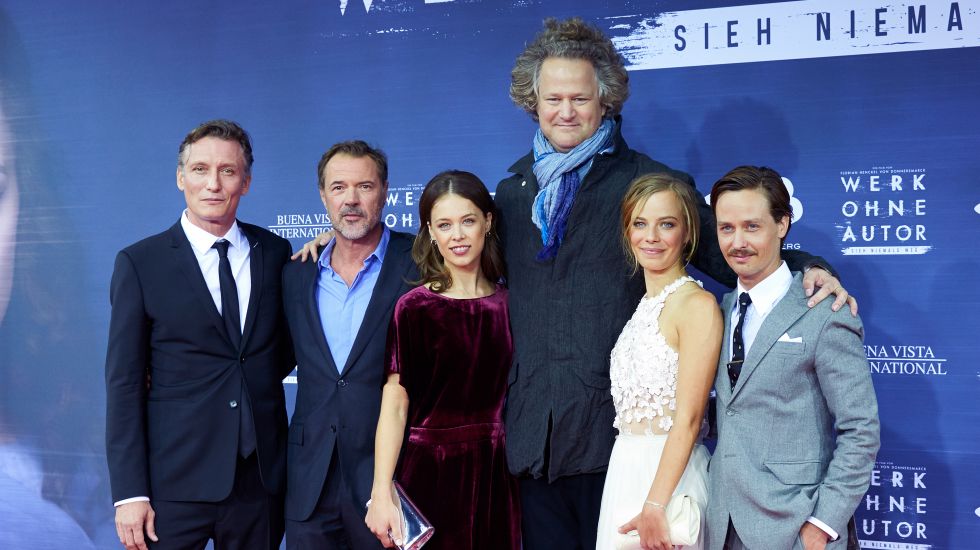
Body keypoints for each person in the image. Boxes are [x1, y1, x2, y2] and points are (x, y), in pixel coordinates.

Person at [494, 17, 855, 549]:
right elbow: (459, 267)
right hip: (533, 445)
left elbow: (733, 252)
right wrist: (329, 248)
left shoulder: (647, 184)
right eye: (553, 99)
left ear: (606, 101)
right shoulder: (512, 192)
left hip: (611, 442)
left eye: (579, 98)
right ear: (533, 102)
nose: (565, 111)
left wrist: (810, 267)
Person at [105, 120, 294, 550]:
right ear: (180, 177)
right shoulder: (140, 263)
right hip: (173, 483)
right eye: (200, 169)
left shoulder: (277, 253)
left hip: (259, 482)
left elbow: (278, 353)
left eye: (228, 171)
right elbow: (124, 384)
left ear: (245, 182)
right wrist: (130, 493)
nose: (213, 184)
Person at [705, 166, 879, 550]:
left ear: (783, 224)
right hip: (720, 525)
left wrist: (822, 525)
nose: (738, 242)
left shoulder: (824, 311)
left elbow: (861, 429)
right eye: (726, 228)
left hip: (795, 529)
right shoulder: (720, 310)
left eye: (752, 226)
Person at [365, 170, 520, 550]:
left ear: (488, 221)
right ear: (431, 232)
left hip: (497, 473)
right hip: (429, 473)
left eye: (468, 221)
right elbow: (396, 404)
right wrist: (382, 490)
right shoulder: (414, 308)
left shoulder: (512, 304)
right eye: (444, 225)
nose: (458, 236)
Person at [282, 140, 417, 549]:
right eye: (339, 188)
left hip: (390, 476)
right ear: (323, 195)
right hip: (309, 481)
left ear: (386, 191)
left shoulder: (421, 260)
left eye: (365, 186)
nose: (351, 200)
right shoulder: (296, 273)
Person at [596, 175, 722, 550]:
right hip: (625, 475)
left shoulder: (696, 306)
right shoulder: (643, 306)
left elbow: (689, 417)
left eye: (666, 224)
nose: (650, 237)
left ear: (686, 233)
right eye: (640, 224)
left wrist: (655, 504)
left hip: (669, 484)